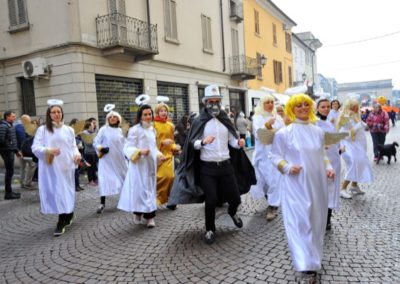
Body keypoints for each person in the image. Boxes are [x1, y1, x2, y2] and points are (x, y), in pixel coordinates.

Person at [168, 85, 256, 244]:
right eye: (211, 101)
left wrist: (239, 142)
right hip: (207, 167)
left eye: (217, 101)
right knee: (211, 200)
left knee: (235, 198)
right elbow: (192, 143)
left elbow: (232, 141)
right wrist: (202, 142)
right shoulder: (199, 121)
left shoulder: (225, 120)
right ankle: (210, 229)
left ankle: (232, 212)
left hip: (226, 165)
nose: (214, 103)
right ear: (205, 102)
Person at [269, 94, 335, 283]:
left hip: (317, 184)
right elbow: (274, 157)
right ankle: (306, 264)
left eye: (307, 104)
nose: (303, 108)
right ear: (292, 109)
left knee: (316, 221)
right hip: (296, 185)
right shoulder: (284, 133)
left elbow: (323, 155)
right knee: (300, 222)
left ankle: (314, 258)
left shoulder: (318, 132)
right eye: (299, 105)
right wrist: (288, 167)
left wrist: (329, 168)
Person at [31, 100, 81, 236]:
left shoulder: (69, 130)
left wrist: (77, 155)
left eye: (58, 112)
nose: (56, 114)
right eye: (53, 112)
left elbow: (73, 146)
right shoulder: (43, 130)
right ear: (49, 114)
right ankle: (62, 220)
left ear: (62, 113)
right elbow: (35, 148)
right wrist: (49, 150)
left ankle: (68, 215)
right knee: (58, 192)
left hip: (67, 165)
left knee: (67, 191)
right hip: (51, 167)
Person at [118, 102, 166, 228]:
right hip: (139, 165)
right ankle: (138, 212)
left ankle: (150, 217)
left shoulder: (152, 129)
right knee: (139, 190)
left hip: (150, 165)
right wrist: (139, 152)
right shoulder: (134, 130)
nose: (148, 116)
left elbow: (154, 147)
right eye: (145, 114)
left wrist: (159, 154)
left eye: (149, 114)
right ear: (140, 116)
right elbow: (128, 147)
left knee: (149, 190)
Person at [250, 94, 285, 221]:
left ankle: (272, 206)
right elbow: (258, 134)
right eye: (267, 102)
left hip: (274, 155)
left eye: (272, 102)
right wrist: (267, 125)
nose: (270, 104)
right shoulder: (257, 117)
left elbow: (282, 133)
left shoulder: (278, 118)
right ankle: (270, 200)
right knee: (263, 181)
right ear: (262, 104)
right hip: (261, 155)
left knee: (274, 181)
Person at [93, 105, 127, 213]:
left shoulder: (121, 131)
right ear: (108, 119)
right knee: (104, 180)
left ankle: (124, 200)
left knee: (122, 180)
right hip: (106, 160)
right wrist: (100, 148)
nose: (112, 118)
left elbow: (126, 145)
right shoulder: (103, 129)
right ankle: (102, 203)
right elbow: (96, 142)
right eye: (110, 117)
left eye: (114, 117)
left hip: (119, 160)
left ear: (118, 119)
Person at [337, 99, 373, 199]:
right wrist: (358, 124)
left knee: (360, 163)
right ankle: (342, 188)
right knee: (354, 164)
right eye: (352, 106)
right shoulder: (344, 117)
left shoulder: (355, 116)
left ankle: (354, 185)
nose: (355, 108)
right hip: (347, 146)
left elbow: (365, 127)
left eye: (356, 106)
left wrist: (360, 122)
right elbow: (345, 134)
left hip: (358, 145)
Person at [315, 98, 342, 230]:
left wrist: (340, 147)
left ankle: (328, 219)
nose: (326, 109)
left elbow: (336, 138)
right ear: (317, 108)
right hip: (321, 161)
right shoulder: (314, 123)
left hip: (334, 160)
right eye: (323, 107)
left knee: (332, 189)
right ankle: (319, 218)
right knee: (321, 189)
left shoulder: (331, 123)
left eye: (327, 107)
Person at [153, 99, 180, 208]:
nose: (164, 112)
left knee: (170, 177)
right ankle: (158, 198)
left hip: (168, 155)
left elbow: (171, 141)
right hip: (157, 154)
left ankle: (170, 200)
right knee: (160, 177)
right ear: (157, 112)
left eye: (165, 111)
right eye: (161, 111)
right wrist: (162, 143)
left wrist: (175, 148)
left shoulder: (170, 125)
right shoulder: (153, 125)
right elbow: (151, 141)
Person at [0, 111, 22, 200]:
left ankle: (10, 192)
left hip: (10, 151)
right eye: (13, 116)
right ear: (7, 117)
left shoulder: (10, 125)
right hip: (6, 152)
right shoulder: (3, 126)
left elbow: (12, 140)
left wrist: (16, 151)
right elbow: (1, 140)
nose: (14, 118)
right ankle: (8, 194)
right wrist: (10, 148)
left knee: (10, 172)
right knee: (9, 172)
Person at [15, 114, 37, 189]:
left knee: (22, 167)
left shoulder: (16, 127)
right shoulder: (22, 127)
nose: (30, 121)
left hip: (19, 150)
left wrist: (17, 150)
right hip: (25, 151)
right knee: (32, 165)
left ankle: (22, 183)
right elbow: (26, 139)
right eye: (28, 120)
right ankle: (27, 183)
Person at [80, 120, 98, 186]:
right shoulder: (84, 133)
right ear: (89, 126)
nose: (94, 126)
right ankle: (90, 180)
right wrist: (94, 139)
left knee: (94, 167)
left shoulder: (93, 133)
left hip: (94, 152)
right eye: (92, 125)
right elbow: (88, 143)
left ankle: (94, 179)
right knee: (90, 168)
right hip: (88, 153)